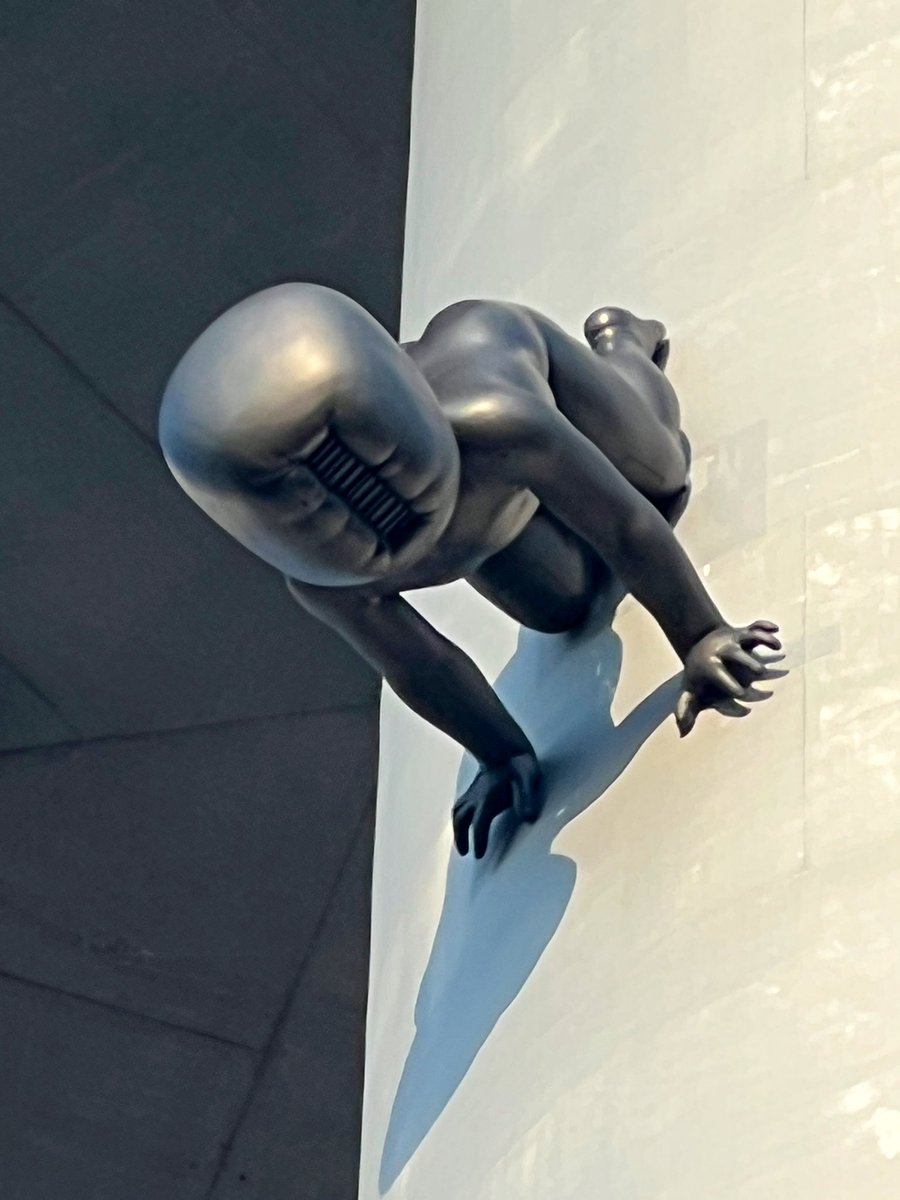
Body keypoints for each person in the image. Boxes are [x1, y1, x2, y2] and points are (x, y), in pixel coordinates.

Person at [159, 284, 780, 857]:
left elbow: (626, 523)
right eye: (308, 502)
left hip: (514, 363)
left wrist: (697, 633)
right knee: (566, 608)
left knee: (662, 473)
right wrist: (502, 754)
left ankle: (623, 345)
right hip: (485, 521)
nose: (356, 495)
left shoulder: (497, 421)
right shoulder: (327, 582)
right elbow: (420, 664)